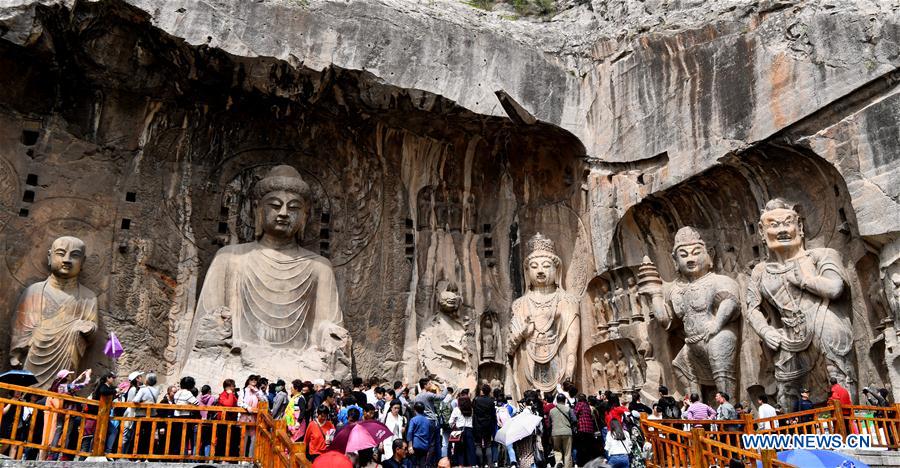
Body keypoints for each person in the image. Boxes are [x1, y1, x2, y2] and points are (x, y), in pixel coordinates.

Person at [131, 373, 160, 457]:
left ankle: (137, 455)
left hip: (141, 415)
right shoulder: (156, 390)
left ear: (147, 381)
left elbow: (135, 400)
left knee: (138, 435)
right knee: (148, 435)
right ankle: (147, 455)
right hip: (152, 415)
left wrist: (142, 403)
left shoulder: (143, 389)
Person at [171, 376, 200, 457]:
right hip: (185, 418)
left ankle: (176, 456)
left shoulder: (177, 393)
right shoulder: (188, 393)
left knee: (178, 438)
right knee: (185, 438)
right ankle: (184, 456)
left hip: (176, 417)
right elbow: (197, 403)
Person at [472, 384, 497, 467]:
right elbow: (493, 414)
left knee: (478, 444)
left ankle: (480, 464)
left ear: (482, 391)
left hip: (477, 425)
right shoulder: (491, 401)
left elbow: (474, 411)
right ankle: (489, 463)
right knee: (488, 444)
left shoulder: (476, 400)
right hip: (488, 425)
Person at [215, 379, 240, 458]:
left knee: (232, 441)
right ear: (228, 387)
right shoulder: (223, 395)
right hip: (223, 422)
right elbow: (228, 405)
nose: (234, 387)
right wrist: (230, 394)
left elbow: (237, 404)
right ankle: (220, 458)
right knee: (222, 440)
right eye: (233, 386)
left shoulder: (232, 395)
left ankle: (230, 458)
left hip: (232, 421)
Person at [448, 394, 475, 467]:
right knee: (470, 449)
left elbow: (450, 422)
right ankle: (470, 465)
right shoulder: (471, 409)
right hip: (469, 430)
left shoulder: (456, 409)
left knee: (460, 450)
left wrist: (454, 426)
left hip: (459, 431)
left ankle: (460, 465)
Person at [549, 393, 574, 468]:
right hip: (567, 432)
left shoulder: (551, 411)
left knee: (557, 450)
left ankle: (559, 462)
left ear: (556, 401)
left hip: (555, 433)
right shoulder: (568, 409)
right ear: (565, 400)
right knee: (567, 452)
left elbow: (549, 424)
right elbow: (574, 420)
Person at [407, 402, 435, 468]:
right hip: (425, 446)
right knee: (422, 464)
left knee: (414, 464)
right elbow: (430, 434)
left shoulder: (413, 420)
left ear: (415, 410)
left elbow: (410, 432)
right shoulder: (428, 421)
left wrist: (410, 446)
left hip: (415, 445)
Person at [573, 394, 598, 466]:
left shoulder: (579, 404)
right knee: (588, 447)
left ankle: (581, 463)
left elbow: (575, 414)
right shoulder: (587, 405)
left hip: (582, 428)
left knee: (581, 447)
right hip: (590, 429)